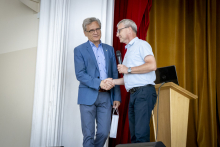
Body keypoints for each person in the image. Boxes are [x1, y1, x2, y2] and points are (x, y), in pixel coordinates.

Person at [105, 19, 157, 143]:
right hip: (134, 94)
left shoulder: (141, 45)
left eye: (119, 30)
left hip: (144, 92)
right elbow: (129, 77)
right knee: (134, 135)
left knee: (140, 134)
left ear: (129, 29)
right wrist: (112, 82)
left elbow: (152, 65)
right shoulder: (128, 51)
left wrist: (127, 69)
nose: (117, 34)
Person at [74, 17, 121, 147]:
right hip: (87, 96)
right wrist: (99, 83)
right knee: (88, 134)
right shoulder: (79, 50)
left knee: (104, 132)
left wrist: (116, 96)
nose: (95, 32)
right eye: (91, 30)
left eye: (97, 29)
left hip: (106, 96)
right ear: (85, 33)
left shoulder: (109, 49)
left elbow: (114, 74)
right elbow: (80, 74)